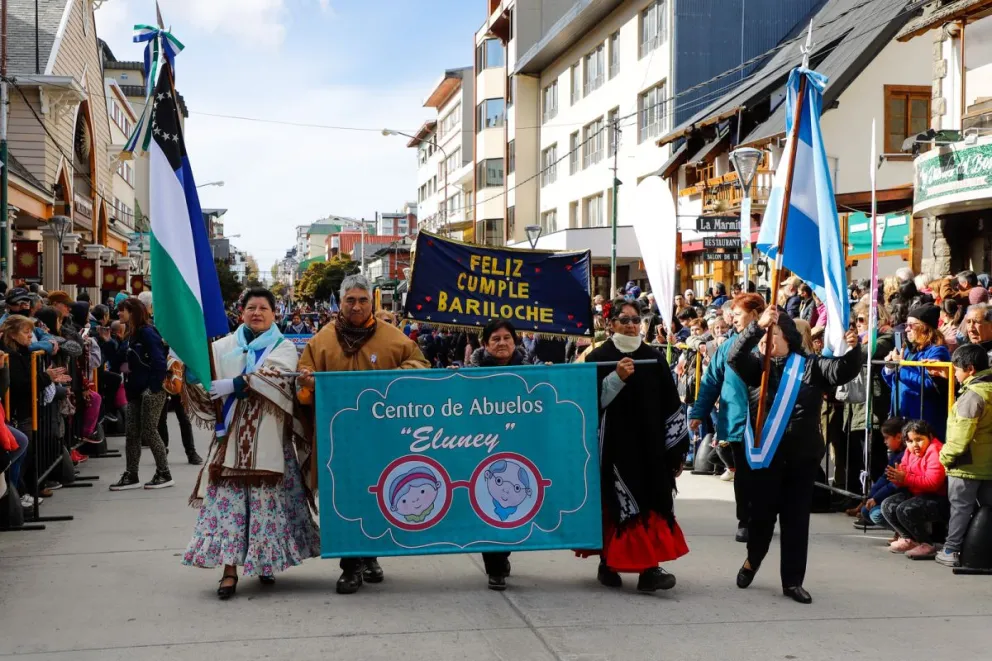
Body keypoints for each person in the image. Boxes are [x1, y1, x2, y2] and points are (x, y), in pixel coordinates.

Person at [183, 288, 320, 599]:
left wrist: (234, 384)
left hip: (270, 443)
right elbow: (205, 382)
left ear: (274, 313)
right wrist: (190, 372)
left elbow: (276, 377)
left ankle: (264, 561)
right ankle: (229, 571)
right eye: (251, 308)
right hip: (230, 443)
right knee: (227, 509)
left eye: (263, 308)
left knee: (266, 507)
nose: (256, 313)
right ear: (241, 312)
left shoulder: (284, 347)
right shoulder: (222, 347)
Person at [296, 274, 429, 594]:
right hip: (338, 439)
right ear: (341, 303)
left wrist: (390, 378)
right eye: (350, 300)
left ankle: (370, 556)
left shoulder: (392, 338)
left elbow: (420, 365)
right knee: (343, 499)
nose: (356, 306)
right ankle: (350, 566)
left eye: (362, 300)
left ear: (372, 302)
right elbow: (303, 386)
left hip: (382, 437)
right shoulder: (321, 341)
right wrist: (308, 384)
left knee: (377, 494)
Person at [728, 306, 861, 604]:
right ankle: (753, 560)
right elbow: (734, 357)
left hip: (801, 458)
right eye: (763, 335)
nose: (766, 340)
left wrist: (854, 349)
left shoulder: (810, 366)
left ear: (787, 337)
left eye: (772, 334)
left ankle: (792, 581)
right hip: (766, 458)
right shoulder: (757, 367)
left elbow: (842, 370)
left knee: (796, 521)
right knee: (761, 519)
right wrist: (756, 327)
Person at [577, 299, 690, 593]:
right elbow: (588, 404)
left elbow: (671, 403)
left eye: (635, 320)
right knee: (618, 503)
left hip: (651, 446)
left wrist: (676, 449)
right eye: (624, 319)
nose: (630, 325)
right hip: (614, 447)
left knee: (653, 500)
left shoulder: (654, 358)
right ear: (610, 323)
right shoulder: (598, 357)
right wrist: (616, 379)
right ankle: (609, 562)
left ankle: (649, 570)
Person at [690, 293, 764, 542]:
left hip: (766, 422)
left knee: (765, 475)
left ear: (755, 315)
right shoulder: (727, 346)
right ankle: (746, 520)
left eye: (739, 314)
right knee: (743, 475)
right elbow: (711, 381)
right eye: (733, 314)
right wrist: (699, 412)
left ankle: (763, 518)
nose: (733, 319)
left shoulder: (771, 343)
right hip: (737, 421)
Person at [461, 319, 528, 590]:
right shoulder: (470, 374)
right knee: (489, 501)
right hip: (483, 447)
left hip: (520, 446)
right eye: (495, 339)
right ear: (485, 344)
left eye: (507, 338)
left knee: (514, 503)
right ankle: (495, 566)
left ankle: (504, 552)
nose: (502, 343)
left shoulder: (529, 370)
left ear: (515, 341)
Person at [936, 345, 992, 567]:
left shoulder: (972, 396)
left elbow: (960, 438)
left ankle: (951, 550)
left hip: (966, 465)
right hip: (987, 465)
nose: (955, 374)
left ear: (970, 369)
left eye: (957, 369)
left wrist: (945, 457)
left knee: (960, 508)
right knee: (987, 511)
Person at [109, 297, 173, 491]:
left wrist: (153, 387)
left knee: (149, 430)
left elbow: (159, 361)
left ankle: (164, 473)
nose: (118, 313)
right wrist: (108, 342)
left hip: (150, 390)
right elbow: (116, 361)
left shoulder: (147, 332)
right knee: (132, 433)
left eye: (122, 310)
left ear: (133, 312)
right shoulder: (130, 334)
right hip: (135, 390)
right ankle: (131, 474)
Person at [882, 304, 951, 442]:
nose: (906, 329)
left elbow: (930, 385)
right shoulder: (909, 350)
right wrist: (890, 367)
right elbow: (897, 383)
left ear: (924, 327)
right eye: (906, 325)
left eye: (911, 325)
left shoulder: (937, 351)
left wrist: (901, 367)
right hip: (903, 420)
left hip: (924, 422)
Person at [881, 420, 948, 559]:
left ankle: (928, 545)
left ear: (930, 437)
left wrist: (905, 478)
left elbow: (933, 483)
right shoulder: (909, 452)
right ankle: (910, 540)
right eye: (910, 441)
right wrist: (897, 478)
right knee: (887, 505)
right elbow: (904, 473)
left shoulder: (935, 450)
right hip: (918, 494)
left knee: (905, 509)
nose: (915, 445)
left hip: (938, 499)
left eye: (919, 439)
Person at [853, 418, 906, 531]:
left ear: (898, 437)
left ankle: (903, 532)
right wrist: (870, 497)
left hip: (902, 496)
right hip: (891, 496)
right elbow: (884, 478)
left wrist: (876, 499)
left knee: (876, 514)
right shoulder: (895, 455)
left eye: (886, 438)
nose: (884, 442)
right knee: (866, 511)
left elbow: (893, 485)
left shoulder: (904, 457)